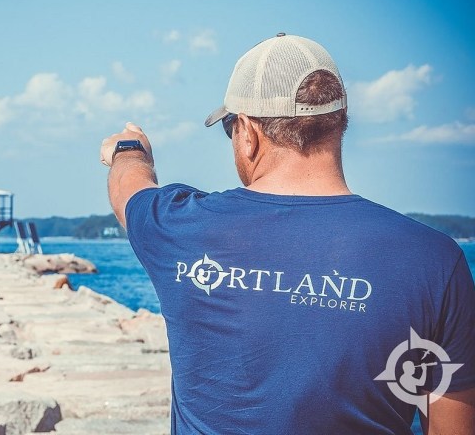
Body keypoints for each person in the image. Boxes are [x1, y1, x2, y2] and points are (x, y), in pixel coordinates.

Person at [100, 33, 475, 434]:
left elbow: (129, 191)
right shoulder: (434, 260)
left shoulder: (180, 227)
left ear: (247, 132)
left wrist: (129, 148)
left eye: (230, 127)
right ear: (338, 122)